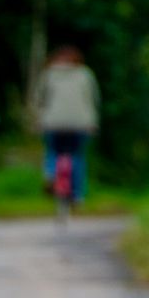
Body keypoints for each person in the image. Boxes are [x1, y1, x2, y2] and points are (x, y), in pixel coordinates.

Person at [34, 45, 100, 205]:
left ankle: (51, 174)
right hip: (80, 123)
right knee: (77, 155)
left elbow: (39, 99)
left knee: (52, 151)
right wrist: (93, 122)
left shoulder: (48, 74)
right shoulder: (85, 74)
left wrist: (38, 118)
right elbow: (94, 99)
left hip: (53, 122)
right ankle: (77, 195)